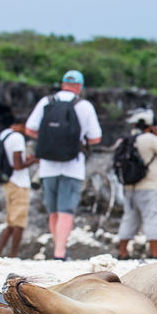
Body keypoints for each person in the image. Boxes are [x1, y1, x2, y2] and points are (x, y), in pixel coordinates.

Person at [25, 70, 102, 260]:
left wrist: (47, 139)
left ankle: (57, 247)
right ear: (79, 87)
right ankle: (60, 252)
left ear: (62, 84)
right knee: (66, 210)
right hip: (73, 166)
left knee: (53, 211)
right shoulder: (84, 106)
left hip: (47, 166)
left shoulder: (46, 102)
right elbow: (96, 137)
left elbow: (29, 129)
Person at [117, 108, 157, 260]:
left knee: (129, 218)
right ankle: (154, 253)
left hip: (130, 187)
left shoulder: (125, 139)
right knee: (152, 217)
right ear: (149, 125)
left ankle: (122, 252)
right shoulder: (149, 139)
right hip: (150, 186)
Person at [0, 122, 38, 257]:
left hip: (8, 182)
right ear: (20, 125)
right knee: (19, 222)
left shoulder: (4, 134)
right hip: (19, 183)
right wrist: (35, 160)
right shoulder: (17, 137)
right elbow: (18, 165)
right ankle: (13, 255)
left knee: (11, 222)